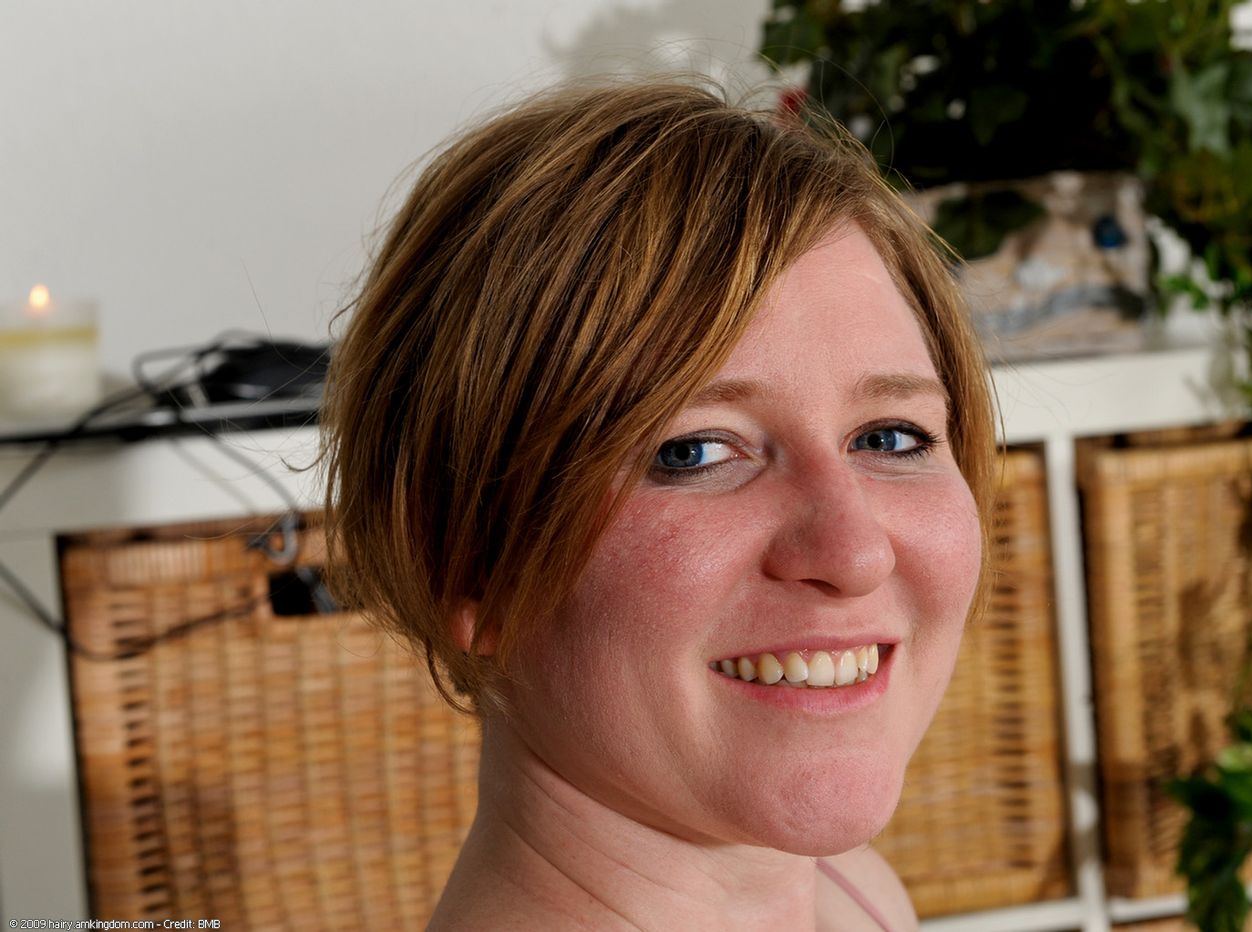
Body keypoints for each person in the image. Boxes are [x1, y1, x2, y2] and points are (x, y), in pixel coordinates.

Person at [320, 78, 996, 931]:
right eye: (694, 451)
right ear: (465, 558)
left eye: (891, 437)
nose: (855, 552)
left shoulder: (852, 894)